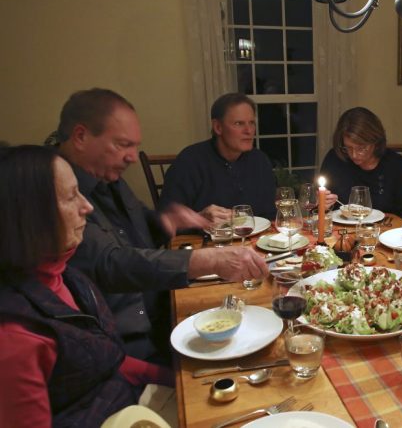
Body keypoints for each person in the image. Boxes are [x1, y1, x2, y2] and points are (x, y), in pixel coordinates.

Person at [56, 88, 268, 362]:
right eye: (123, 145)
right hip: (124, 345)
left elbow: (140, 230)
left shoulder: (107, 177)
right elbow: (110, 263)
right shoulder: (54, 187)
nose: (133, 156)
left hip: (162, 311)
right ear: (81, 136)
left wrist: (168, 221)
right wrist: (207, 260)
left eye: (134, 145)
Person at [0, 145, 173, 427]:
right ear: (28, 216)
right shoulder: (14, 337)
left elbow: (107, 361)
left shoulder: (65, 274)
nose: (87, 206)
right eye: (71, 197)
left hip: (130, 405)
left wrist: (176, 377)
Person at [159, 93, 276, 221]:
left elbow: (269, 214)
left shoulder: (259, 160)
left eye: (252, 123)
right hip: (204, 239)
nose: (248, 130)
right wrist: (199, 218)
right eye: (239, 123)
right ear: (218, 127)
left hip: (254, 239)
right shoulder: (189, 161)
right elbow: (165, 220)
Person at [320, 107, 402, 221]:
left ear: (375, 142)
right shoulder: (335, 159)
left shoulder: (396, 166)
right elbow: (320, 212)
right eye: (348, 147)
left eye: (361, 148)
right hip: (341, 234)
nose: (354, 155)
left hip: (384, 234)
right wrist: (322, 206)